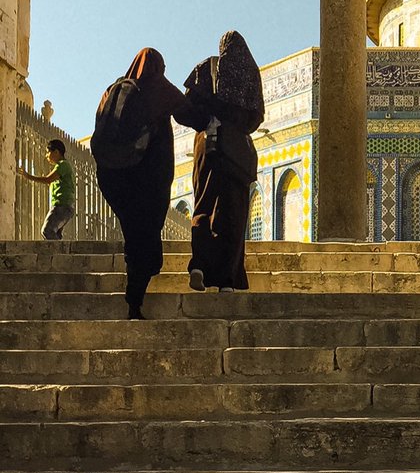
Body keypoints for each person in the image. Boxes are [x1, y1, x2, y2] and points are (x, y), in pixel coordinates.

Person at [94, 48, 185, 320]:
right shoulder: (157, 87)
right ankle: (135, 301)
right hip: (147, 180)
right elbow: (190, 113)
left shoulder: (113, 90)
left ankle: (134, 292)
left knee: (134, 234)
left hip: (114, 178)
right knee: (145, 240)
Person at [175, 31, 264, 292]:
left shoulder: (207, 68)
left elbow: (183, 109)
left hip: (209, 147)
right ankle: (227, 279)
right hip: (237, 153)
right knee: (233, 215)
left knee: (203, 206)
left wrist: (206, 121)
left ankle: (200, 266)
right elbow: (256, 118)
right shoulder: (250, 74)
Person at [21, 139, 75, 240]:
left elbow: (48, 179)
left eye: (48, 152)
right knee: (56, 234)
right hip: (65, 206)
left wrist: (28, 176)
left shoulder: (62, 165)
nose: (46, 155)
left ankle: (59, 254)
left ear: (56, 152)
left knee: (47, 231)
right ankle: (59, 253)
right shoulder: (62, 166)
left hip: (61, 206)